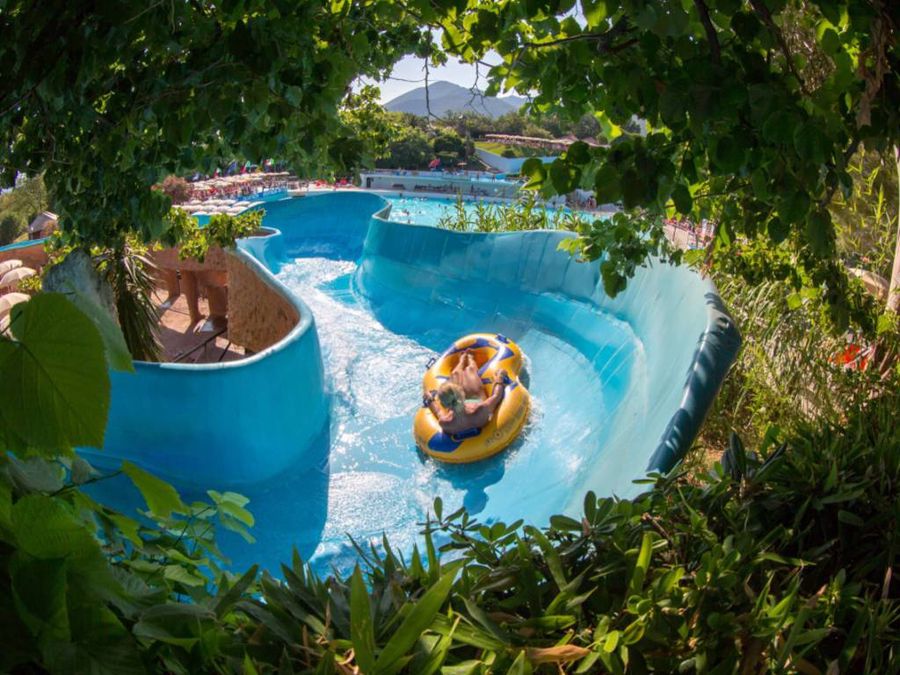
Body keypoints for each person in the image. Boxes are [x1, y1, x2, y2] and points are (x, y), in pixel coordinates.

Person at [424, 351, 507, 434]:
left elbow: (438, 411)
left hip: (457, 410)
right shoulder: (481, 409)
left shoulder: (445, 423)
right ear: (462, 393)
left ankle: (462, 361)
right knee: (469, 371)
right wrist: (500, 377)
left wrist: (430, 399)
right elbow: (496, 396)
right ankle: (470, 359)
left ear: (443, 404)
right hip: (476, 402)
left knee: (454, 376)